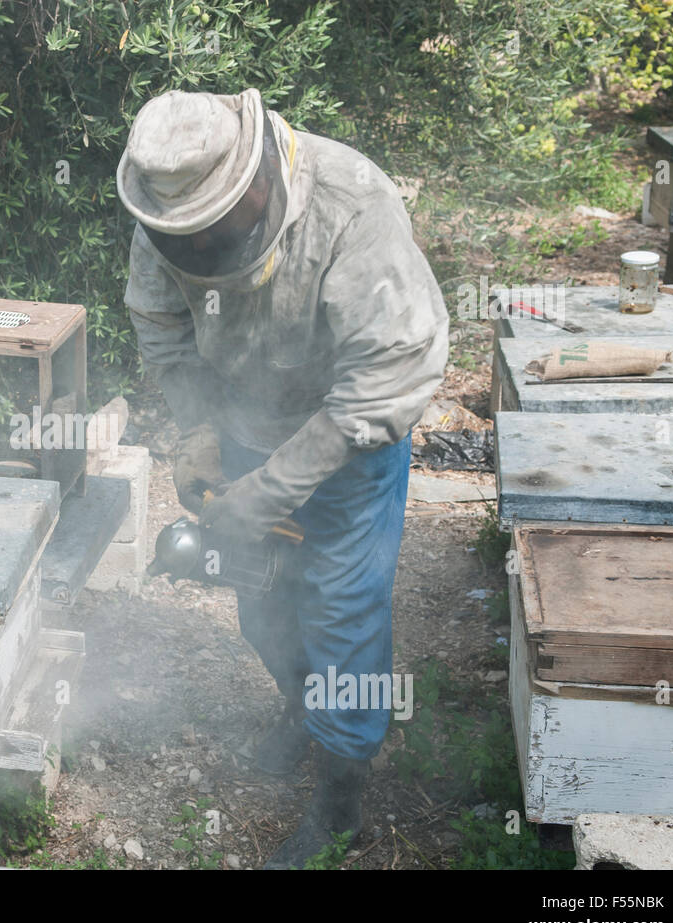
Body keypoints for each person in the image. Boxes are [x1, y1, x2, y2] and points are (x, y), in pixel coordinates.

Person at [117, 88, 449, 868]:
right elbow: (161, 326)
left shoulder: (352, 208)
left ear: (257, 184)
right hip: (244, 431)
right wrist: (198, 431)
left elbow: (388, 376)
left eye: (210, 229)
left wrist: (269, 491)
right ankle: (303, 712)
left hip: (350, 443)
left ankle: (342, 799)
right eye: (182, 236)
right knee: (263, 601)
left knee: (342, 612)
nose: (196, 247)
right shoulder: (163, 218)